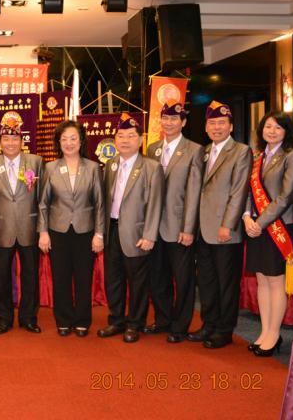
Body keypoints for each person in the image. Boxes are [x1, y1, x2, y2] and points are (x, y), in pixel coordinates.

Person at [188, 101, 252, 349]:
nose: (217, 127)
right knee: (206, 281)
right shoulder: (203, 152)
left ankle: (224, 330)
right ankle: (209, 324)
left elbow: (239, 191)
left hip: (225, 231)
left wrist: (228, 224)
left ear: (231, 126)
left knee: (227, 283)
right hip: (203, 229)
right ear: (206, 127)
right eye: (212, 123)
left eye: (222, 123)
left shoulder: (241, 151)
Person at [98, 114, 163, 343]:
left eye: (131, 136)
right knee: (113, 279)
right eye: (121, 135)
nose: (125, 140)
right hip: (112, 230)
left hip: (137, 233)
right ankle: (116, 320)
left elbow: (156, 203)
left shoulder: (151, 167)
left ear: (141, 140)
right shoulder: (111, 164)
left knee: (137, 282)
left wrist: (149, 234)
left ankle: (135, 324)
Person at [37, 120, 104, 337]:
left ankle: (82, 320)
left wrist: (99, 234)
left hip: (86, 231)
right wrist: (43, 232)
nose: (69, 143)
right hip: (58, 231)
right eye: (64, 139)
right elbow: (43, 203)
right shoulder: (50, 168)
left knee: (84, 278)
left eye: (73, 138)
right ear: (58, 142)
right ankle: (64, 319)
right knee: (61, 277)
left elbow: (99, 203)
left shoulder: (92, 167)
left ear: (81, 141)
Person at [242, 111, 293, 357]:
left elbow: (286, 196)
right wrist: (247, 216)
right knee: (262, 280)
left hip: (278, 227)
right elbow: (248, 192)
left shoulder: (292, 155)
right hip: (255, 227)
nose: (272, 131)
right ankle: (265, 331)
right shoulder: (257, 157)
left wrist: (260, 222)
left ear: (286, 131)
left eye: (278, 127)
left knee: (276, 281)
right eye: (268, 126)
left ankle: (274, 334)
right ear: (261, 130)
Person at [145, 100, 204, 343]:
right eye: (165, 118)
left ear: (183, 122)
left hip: (179, 227)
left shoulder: (194, 150)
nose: (168, 123)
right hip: (154, 227)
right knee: (158, 276)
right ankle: (163, 319)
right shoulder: (153, 149)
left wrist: (188, 228)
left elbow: (194, 191)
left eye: (174, 119)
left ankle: (180, 326)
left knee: (183, 279)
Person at [0, 118, 43, 335]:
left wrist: (42, 229)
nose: (10, 143)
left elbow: (42, 200)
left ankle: (29, 318)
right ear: (0, 142)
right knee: (1, 277)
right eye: (6, 139)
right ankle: (3, 319)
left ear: (22, 141)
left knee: (30, 276)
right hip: (1, 228)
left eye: (14, 139)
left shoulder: (36, 162)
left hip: (29, 227)